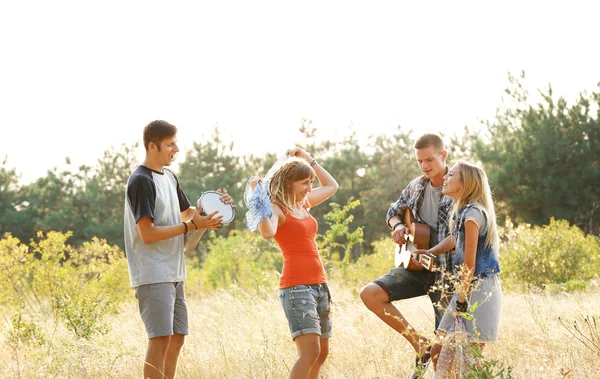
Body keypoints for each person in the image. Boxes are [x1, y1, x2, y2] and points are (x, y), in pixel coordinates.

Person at [124, 120, 233, 379]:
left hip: (174, 270)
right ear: (153, 146)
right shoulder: (141, 180)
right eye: (170, 144)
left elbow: (189, 214)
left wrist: (215, 206)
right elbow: (147, 233)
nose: (177, 149)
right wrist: (191, 226)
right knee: (160, 339)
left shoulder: (170, 176)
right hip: (152, 272)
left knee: (177, 338)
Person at [359, 133, 454, 378]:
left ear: (443, 155)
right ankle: (419, 344)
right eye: (420, 161)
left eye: (430, 160)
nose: (424, 166)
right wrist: (398, 225)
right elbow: (394, 209)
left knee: (442, 355)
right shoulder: (417, 185)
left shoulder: (459, 185)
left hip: (447, 274)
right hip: (415, 268)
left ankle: (432, 354)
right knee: (370, 293)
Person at [247, 147, 339, 379]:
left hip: (319, 285)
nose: (310, 187)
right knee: (310, 352)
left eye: (310, 182)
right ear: (289, 183)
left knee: (321, 353)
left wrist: (308, 159)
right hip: (297, 288)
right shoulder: (277, 209)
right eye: (304, 183)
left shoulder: (303, 204)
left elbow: (332, 186)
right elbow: (267, 232)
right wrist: (258, 199)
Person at [414, 161, 502, 371]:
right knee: (440, 351)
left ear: (466, 183)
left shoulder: (473, 216)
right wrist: (430, 251)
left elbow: (469, 264)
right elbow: (455, 238)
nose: (445, 178)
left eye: (450, 174)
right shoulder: (463, 213)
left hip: (479, 290)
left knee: (469, 362)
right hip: (468, 288)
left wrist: (461, 303)